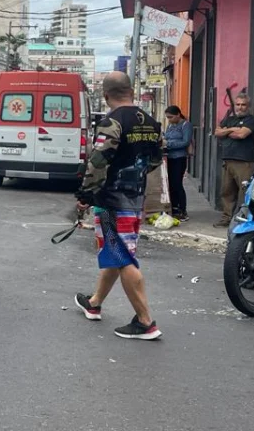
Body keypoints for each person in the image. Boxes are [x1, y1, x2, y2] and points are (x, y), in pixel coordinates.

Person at [73, 72, 163, 341]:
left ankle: (145, 321)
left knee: (122, 256)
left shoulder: (112, 122)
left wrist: (86, 194)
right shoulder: (151, 122)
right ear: (132, 91)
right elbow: (157, 159)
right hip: (135, 200)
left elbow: (99, 161)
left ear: (106, 95)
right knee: (115, 250)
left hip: (111, 202)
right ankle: (95, 302)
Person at [213, 93, 254, 228]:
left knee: (244, 193)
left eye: (243, 104)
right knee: (227, 191)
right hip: (228, 161)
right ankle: (226, 218)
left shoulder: (252, 120)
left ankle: (242, 219)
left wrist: (227, 131)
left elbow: (241, 134)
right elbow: (217, 132)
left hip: (244, 162)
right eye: (238, 104)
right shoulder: (230, 119)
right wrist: (233, 129)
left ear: (248, 106)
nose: (240, 107)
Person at [163, 105, 192, 221]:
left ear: (178, 115)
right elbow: (166, 137)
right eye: (167, 118)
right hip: (168, 157)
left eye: (171, 117)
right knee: (170, 184)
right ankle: (174, 208)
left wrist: (168, 144)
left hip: (179, 158)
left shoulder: (186, 125)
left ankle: (182, 209)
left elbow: (185, 142)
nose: (169, 120)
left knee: (177, 184)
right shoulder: (170, 125)